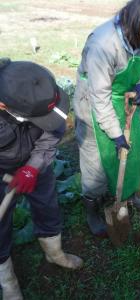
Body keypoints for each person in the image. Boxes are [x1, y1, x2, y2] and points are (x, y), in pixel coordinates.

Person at [73, 0, 140, 237]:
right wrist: (115, 134)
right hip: (95, 104)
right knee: (96, 162)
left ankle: (130, 195)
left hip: (125, 102)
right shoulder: (103, 44)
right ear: (130, 24)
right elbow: (100, 97)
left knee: (131, 152)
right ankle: (92, 210)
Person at [0, 58, 83, 300]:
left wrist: (33, 167)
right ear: (3, 105)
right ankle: (8, 283)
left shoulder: (43, 94)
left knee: (47, 205)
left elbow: (52, 131)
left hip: (36, 163)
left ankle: (54, 253)